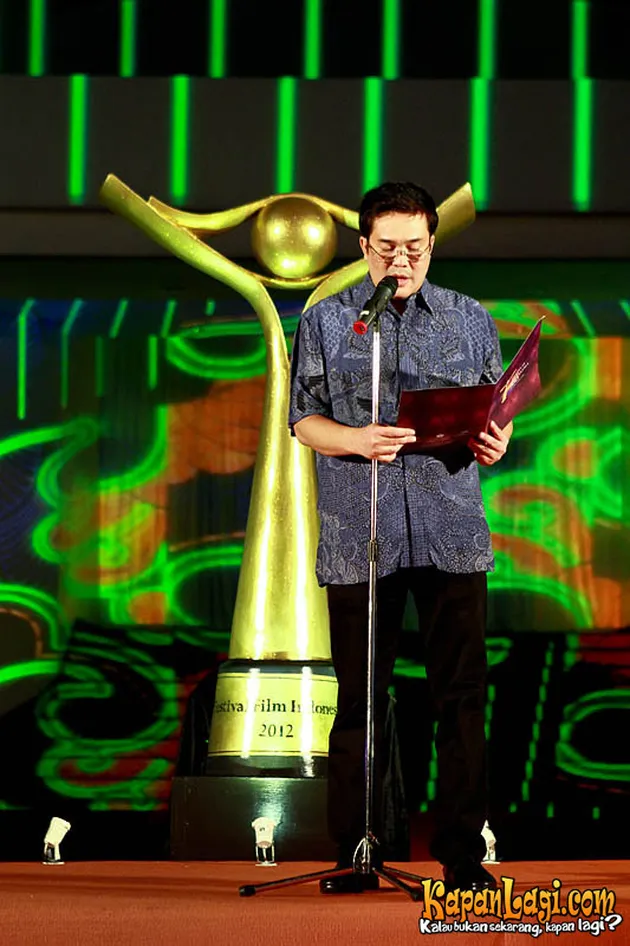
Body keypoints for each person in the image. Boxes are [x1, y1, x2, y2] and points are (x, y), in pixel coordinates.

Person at [288, 181, 512, 894]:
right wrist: (355, 439)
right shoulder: (328, 321)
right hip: (362, 531)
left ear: (432, 245)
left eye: (415, 247)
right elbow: (302, 419)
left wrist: (497, 439)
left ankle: (463, 855)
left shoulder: (470, 318)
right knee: (360, 699)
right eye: (387, 247)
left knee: (461, 695)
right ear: (364, 247)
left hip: (451, 530)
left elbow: (494, 405)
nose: (402, 260)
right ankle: (359, 847)